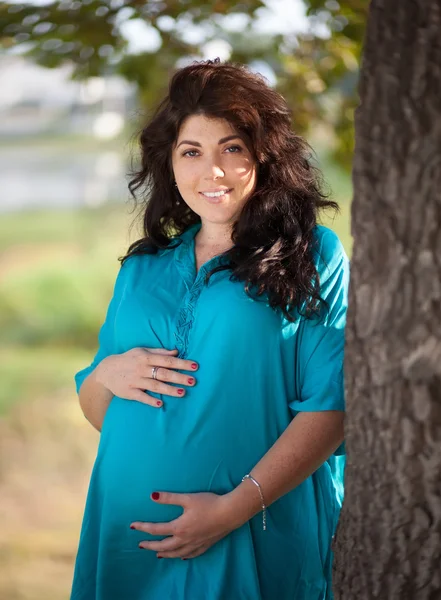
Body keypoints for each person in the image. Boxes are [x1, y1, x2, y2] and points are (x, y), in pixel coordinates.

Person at [70, 58, 349, 600]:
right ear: (169, 164)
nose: (211, 172)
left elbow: (332, 409)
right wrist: (104, 374)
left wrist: (228, 511)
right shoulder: (141, 269)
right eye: (192, 152)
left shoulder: (311, 254)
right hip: (125, 540)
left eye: (232, 148)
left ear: (263, 157)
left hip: (249, 528)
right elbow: (100, 407)